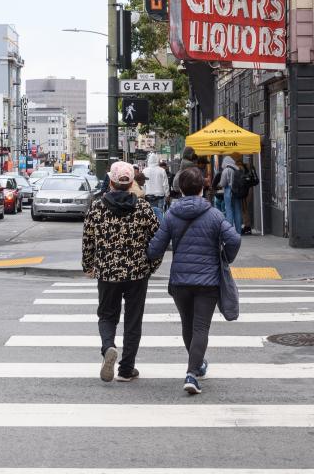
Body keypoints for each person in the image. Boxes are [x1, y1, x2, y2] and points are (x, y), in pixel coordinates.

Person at [147, 166, 241, 395]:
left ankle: (196, 365)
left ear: (180, 189)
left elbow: (155, 249)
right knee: (201, 327)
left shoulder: (171, 215)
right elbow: (235, 240)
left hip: (180, 281)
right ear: (202, 188)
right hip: (207, 282)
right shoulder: (214, 215)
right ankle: (192, 373)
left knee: (188, 326)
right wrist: (225, 258)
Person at [82, 161, 161, 383]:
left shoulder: (97, 207)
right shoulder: (144, 208)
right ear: (131, 183)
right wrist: (152, 265)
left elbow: (88, 240)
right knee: (133, 321)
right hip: (137, 272)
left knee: (107, 316)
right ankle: (126, 369)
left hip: (107, 272)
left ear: (112, 182)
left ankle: (108, 347)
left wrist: (88, 265)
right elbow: (158, 239)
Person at [218, 155, 243, 234]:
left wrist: (218, 184)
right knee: (237, 211)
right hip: (237, 192)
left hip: (228, 191)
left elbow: (222, 183)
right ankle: (238, 231)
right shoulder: (237, 169)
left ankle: (230, 231)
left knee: (229, 210)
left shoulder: (226, 170)